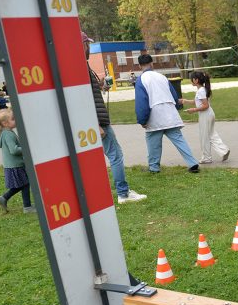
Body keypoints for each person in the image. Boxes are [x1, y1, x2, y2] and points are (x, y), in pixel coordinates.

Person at [82, 32, 146, 204]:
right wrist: (95, 124)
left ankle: (95, 193)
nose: (89, 47)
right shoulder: (80, 68)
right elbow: (82, 100)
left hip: (97, 121)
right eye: (87, 44)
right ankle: (123, 193)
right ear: (82, 46)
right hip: (97, 122)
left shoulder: (83, 67)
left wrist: (102, 86)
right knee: (115, 155)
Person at [134, 53, 201, 174]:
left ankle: (154, 167)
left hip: (154, 117)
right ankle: (192, 163)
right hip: (170, 114)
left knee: (153, 143)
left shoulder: (141, 80)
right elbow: (174, 95)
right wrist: (176, 105)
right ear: (152, 63)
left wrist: (142, 120)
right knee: (179, 140)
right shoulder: (162, 77)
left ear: (139, 66)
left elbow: (141, 102)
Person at [0, 109, 34, 214]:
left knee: (22, 184)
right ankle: (27, 207)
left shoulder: (5, 133)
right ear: (5, 123)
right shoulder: (8, 134)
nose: (16, 120)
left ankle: (4, 198)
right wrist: (26, 148)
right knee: (24, 184)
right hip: (15, 165)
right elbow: (13, 150)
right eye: (13, 119)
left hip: (12, 165)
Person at [182, 70, 230, 164]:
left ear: (196, 80)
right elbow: (198, 102)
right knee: (211, 134)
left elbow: (205, 105)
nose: (190, 81)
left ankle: (207, 158)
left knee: (205, 137)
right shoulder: (202, 90)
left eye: (191, 79)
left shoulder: (201, 91)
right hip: (208, 114)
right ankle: (223, 150)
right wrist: (185, 101)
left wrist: (193, 110)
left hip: (206, 115)